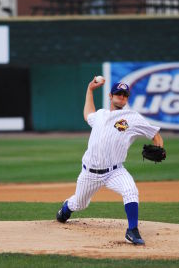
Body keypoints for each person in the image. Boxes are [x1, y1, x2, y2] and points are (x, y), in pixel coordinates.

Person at [56, 77, 164, 245]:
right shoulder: (100, 115)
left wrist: (160, 147)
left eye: (125, 95)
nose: (121, 96)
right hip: (89, 173)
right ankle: (65, 209)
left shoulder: (132, 118)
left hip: (115, 171)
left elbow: (155, 135)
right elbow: (87, 114)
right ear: (110, 95)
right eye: (118, 93)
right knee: (79, 203)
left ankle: (132, 230)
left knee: (130, 190)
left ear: (127, 98)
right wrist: (89, 90)